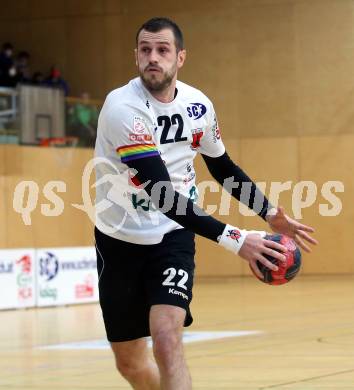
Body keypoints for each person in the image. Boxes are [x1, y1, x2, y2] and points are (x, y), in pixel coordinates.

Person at [94, 17, 317, 390]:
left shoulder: (198, 106)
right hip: (119, 240)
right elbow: (161, 193)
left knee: (167, 338)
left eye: (162, 50)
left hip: (173, 235)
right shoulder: (123, 108)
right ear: (135, 56)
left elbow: (222, 166)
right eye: (145, 50)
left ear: (180, 57)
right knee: (131, 365)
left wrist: (270, 213)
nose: (153, 57)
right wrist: (236, 239)